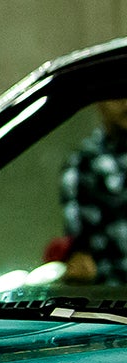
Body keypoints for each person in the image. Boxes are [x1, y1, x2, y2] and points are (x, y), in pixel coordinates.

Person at [62, 97, 127, 284]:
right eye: (116, 96)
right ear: (99, 102)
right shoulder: (82, 165)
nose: (125, 104)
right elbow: (79, 248)